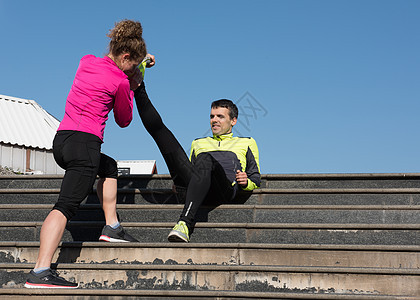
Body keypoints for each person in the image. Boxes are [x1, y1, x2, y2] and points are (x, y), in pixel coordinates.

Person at [25, 19, 154, 289]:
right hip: (85, 144)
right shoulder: (121, 81)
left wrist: (139, 64)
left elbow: (116, 65)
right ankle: (40, 271)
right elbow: (124, 119)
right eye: (132, 64)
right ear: (126, 56)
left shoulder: (86, 61)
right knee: (65, 206)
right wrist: (134, 83)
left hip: (63, 140)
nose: (131, 70)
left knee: (109, 167)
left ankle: (112, 227)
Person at [133, 75, 261, 243]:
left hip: (224, 189)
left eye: (220, 116)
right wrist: (181, 181)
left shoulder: (247, 142)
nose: (214, 120)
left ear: (233, 121)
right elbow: (196, 173)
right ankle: (138, 87)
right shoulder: (198, 143)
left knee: (205, 158)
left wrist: (246, 182)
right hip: (201, 188)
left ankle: (184, 223)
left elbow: (255, 177)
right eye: (212, 116)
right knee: (162, 134)